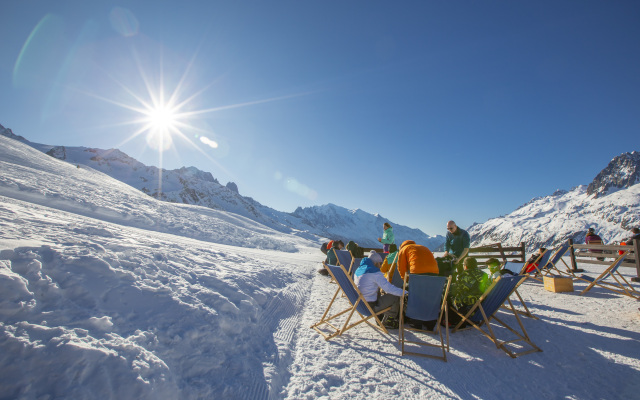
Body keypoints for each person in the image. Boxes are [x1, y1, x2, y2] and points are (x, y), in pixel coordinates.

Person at [353, 251, 406, 329]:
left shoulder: (359, 269)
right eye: (380, 263)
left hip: (359, 304)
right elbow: (389, 288)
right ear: (375, 263)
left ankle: (380, 316)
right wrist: (405, 292)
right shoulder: (375, 272)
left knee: (377, 290)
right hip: (371, 306)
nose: (381, 266)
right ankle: (388, 320)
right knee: (395, 296)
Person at [447, 257, 491, 327]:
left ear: (466, 266)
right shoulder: (484, 274)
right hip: (483, 306)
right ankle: (473, 319)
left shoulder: (466, 276)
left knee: (448, 295)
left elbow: (458, 289)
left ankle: (454, 320)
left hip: (469, 307)